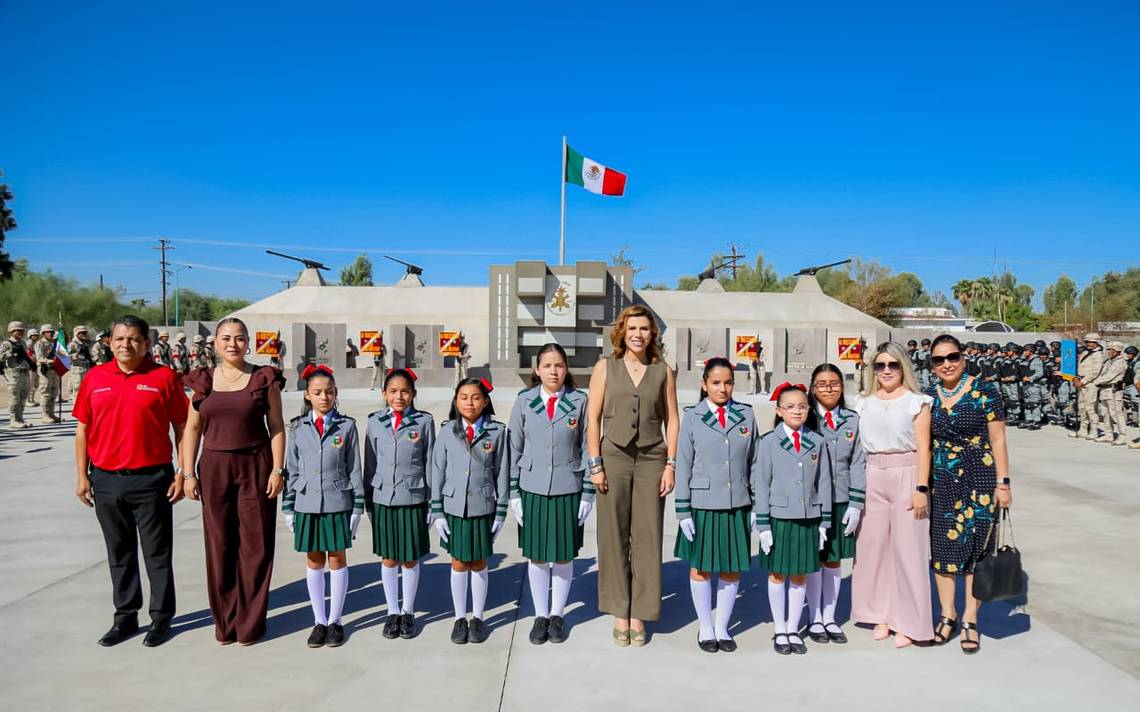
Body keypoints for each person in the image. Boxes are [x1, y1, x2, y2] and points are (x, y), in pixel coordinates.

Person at [73, 315, 189, 647]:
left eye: (134, 339)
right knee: (119, 552)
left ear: (147, 344)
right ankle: (125, 617)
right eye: (120, 339)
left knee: (157, 553)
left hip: (152, 479)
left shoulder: (163, 377)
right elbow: (82, 430)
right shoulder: (95, 378)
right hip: (106, 480)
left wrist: (182, 472)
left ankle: (161, 618)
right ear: (109, 343)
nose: (126, 344)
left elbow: (182, 427)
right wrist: (82, 475)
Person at [180, 317, 286, 645]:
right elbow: (192, 429)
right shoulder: (203, 382)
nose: (232, 344)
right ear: (215, 343)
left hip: (256, 464)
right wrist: (187, 473)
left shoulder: (263, 378)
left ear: (248, 342)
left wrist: (277, 470)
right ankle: (225, 623)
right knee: (220, 545)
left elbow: (277, 426)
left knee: (255, 546)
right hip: (214, 467)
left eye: (239, 338)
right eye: (225, 338)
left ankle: (250, 624)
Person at [586, 305, 680, 647]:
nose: (638, 334)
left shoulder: (663, 371)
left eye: (644, 329)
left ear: (653, 334)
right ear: (621, 333)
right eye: (632, 328)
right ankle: (618, 610)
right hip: (613, 457)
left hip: (652, 459)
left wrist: (671, 464)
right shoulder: (604, 368)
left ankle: (640, 611)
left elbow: (673, 419)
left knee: (647, 536)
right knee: (612, 536)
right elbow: (593, 418)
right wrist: (595, 464)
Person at [926, 334, 1012, 654]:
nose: (946, 364)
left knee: (978, 551)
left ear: (963, 358)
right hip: (943, 482)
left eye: (952, 357)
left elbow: (999, 440)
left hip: (980, 477)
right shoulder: (928, 397)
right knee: (944, 550)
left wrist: (1003, 484)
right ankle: (947, 614)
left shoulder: (985, 390)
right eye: (939, 359)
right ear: (932, 365)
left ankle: (970, 618)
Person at [507, 343, 594, 645]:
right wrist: (513, 492)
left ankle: (557, 614)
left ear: (566, 369)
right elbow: (513, 448)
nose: (553, 372)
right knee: (537, 557)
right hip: (531, 487)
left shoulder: (580, 402)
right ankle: (540, 615)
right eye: (547, 366)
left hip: (568, 487)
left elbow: (588, 447)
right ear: (537, 370)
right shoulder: (524, 401)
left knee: (563, 555)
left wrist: (587, 492)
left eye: (559, 365)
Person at [850, 342, 934, 648]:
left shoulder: (917, 401)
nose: (886, 370)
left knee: (908, 550)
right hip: (873, 473)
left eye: (893, 364)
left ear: (903, 367)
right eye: (880, 365)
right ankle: (879, 612)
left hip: (907, 472)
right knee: (873, 549)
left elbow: (924, 446)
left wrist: (921, 487)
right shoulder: (862, 402)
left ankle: (910, 621)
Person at [674, 357, 757, 653]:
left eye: (728, 382)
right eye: (716, 383)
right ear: (704, 384)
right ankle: (705, 625)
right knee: (701, 568)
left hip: (737, 502)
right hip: (703, 503)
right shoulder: (693, 417)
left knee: (731, 568)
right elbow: (683, 464)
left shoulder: (746, 416)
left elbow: (754, 462)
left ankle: (722, 626)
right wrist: (682, 508)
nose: (723, 389)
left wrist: (756, 504)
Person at [282, 365, 364, 648]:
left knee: (337, 559)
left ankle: (336, 620)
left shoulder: (347, 426)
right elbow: (291, 469)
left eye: (329, 392)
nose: (324, 397)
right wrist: (289, 506)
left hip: (337, 501)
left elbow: (354, 468)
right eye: (317, 392)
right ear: (307, 395)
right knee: (315, 560)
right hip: (307, 502)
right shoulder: (297, 427)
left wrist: (357, 507)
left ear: (336, 393)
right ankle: (319, 620)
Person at [753, 383, 832, 655]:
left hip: (808, 517)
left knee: (800, 575)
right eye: (790, 407)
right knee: (778, 574)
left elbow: (824, 483)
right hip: (779, 517)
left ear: (809, 409)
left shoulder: (817, 442)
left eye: (802, 406)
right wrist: (762, 524)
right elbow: (761, 484)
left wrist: (825, 521)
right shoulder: (768, 442)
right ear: (779, 410)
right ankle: (779, 628)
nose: (796, 411)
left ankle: (792, 627)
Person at [430, 377, 509, 645]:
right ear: (455, 400)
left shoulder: (497, 432)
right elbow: (437, 471)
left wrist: (500, 512)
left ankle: (478, 617)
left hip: (483, 507)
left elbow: (502, 473)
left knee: (479, 562)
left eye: (476, 397)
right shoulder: (446, 431)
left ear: (486, 401)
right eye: (463, 397)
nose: (470, 402)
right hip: (454, 507)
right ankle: (458, 617)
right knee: (458, 562)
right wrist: (438, 511)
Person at [364, 367, 434, 641]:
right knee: (389, 558)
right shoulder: (374, 422)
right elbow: (370, 463)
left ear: (413, 394)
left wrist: (431, 501)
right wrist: (369, 500)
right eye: (393, 391)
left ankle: (408, 611)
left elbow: (430, 463)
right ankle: (392, 611)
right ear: (384, 394)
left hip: (413, 496)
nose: (399, 396)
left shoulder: (424, 422)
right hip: (383, 498)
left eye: (405, 391)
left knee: (410, 558)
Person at [805, 362, 865, 645]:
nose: (829, 389)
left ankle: (829, 616)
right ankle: (813, 617)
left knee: (833, 559)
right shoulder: (804, 417)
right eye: (822, 384)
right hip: (812, 501)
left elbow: (857, 463)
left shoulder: (852, 419)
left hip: (840, 498)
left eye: (834, 384)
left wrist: (856, 501)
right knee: (814, 559)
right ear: (812, 388)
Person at [1091, 342, 1128, 445]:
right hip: (1105, 390)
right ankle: (1109, 434)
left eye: (1110, 350)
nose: (1108, 352)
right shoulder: (1109, 361)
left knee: (1116, 414)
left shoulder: (1120, 362)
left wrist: (1095, 382)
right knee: (1105, 414)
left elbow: (1109, 376)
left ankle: (1122, 436)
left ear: (1117, 351)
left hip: (1114, 390)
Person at [1072, 333, 1106, 440]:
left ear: (1097, 342)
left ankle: (1094, 430)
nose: (1089, 344)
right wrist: (1077, 378)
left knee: (1090, 408)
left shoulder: (1098, 355)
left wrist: (1083, 381)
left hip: (1090, 384)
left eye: (1092, 342)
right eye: (1087, 342)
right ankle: (1083, 429)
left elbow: (1095, 372)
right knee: (1081, 407)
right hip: (1081, 382)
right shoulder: (1085, 352)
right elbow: (1080, 367)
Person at [1, 321, 34, 428]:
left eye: (21, 330)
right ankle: (13, 419)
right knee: (15, 397)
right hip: (13, 373)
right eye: (17, 330)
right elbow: (0, 357)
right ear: (11, 331)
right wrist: (10, 353)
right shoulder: (7, 344)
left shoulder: (23, 343)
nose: (20, 332)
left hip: (24, 372)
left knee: (23, 396)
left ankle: (20, 418)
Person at [34, 323, 61, 423]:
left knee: (54, 392)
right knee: (46, 393)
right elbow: (40, 358)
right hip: (45, 371)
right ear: (43, 333)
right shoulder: (39, 344)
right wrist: (51, 361)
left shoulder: (55, 344)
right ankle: (45, 415)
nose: (50, 333)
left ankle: (51, 413)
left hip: (55, 370)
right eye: (48, 332)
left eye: (51, 332)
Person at [1020, 344, 1045, 430]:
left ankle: (1036, 421)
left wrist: (1030, 378)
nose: (1024, 352)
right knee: (1027, 404)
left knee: (1034, 403)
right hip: (1025, 385)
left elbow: (1040, 373)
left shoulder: (1036, 360)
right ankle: (1029, 420)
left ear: (1030, 352)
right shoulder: (1024, 360)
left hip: (1033, 385)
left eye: (1026, 351)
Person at [68, 325, 94, 400]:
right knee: (78, 392)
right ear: (77, 334)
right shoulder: (73, 344)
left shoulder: (86, 344)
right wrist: (82, 357)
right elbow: (72, 357)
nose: (84, 335)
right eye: (81, 333)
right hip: (77, 371)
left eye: (85, 333)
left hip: (87, 369)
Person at [25, 326, 40, 406]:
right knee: (30, 383)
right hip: (30, 366)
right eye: (34, 335)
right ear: (30, 336)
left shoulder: (37, 343)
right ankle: (28, 400)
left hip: (36, 366)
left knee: (36, 384)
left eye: (37, 335)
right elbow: (28, 355)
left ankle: (32, 399)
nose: (36, 336)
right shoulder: (28, 344)